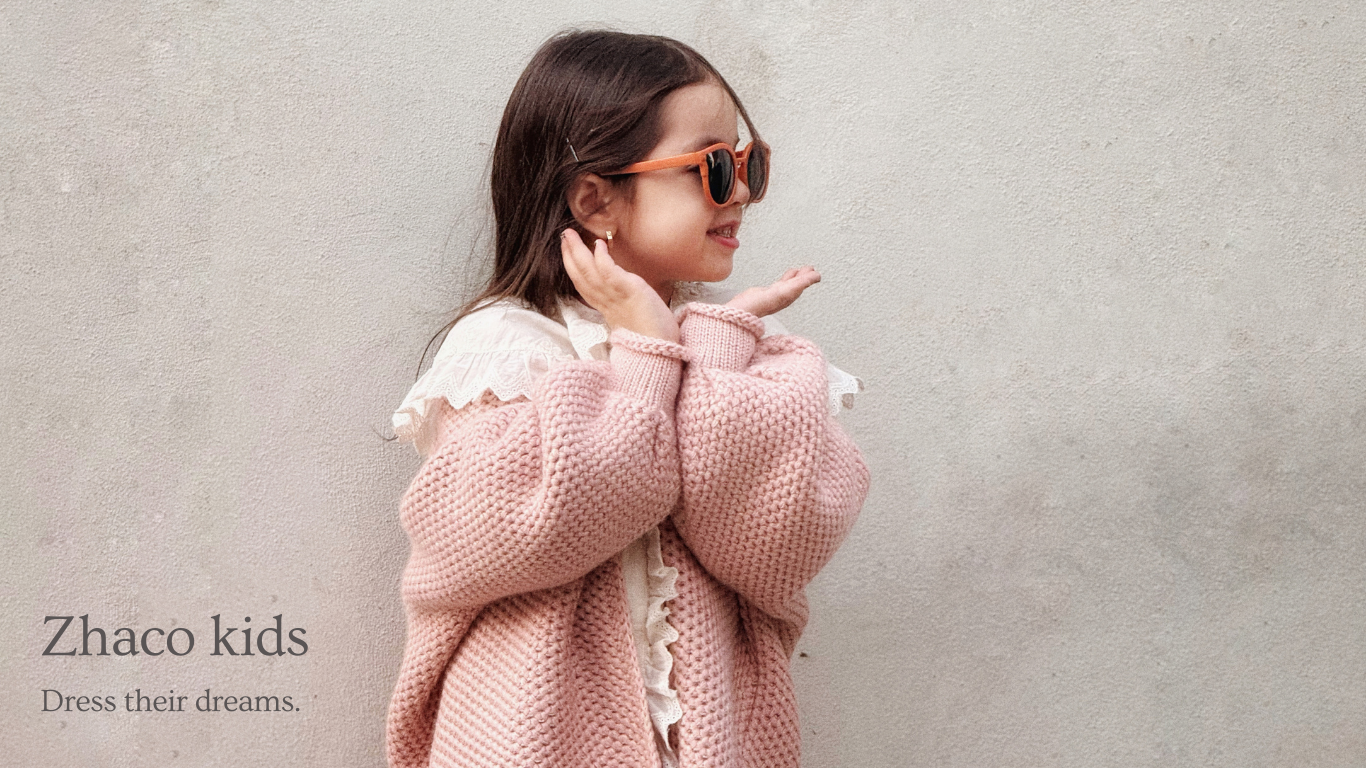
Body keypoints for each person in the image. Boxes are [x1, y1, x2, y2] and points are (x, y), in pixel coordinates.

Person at [386, 29, 870, 768]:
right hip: (530, 744)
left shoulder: (747, 353)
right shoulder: (509, 352)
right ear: (595, 200)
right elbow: (530, 530)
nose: (741, 192)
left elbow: (773, 551)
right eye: (713, 167)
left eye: (749, 163)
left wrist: (712, 346)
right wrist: (643, 353)